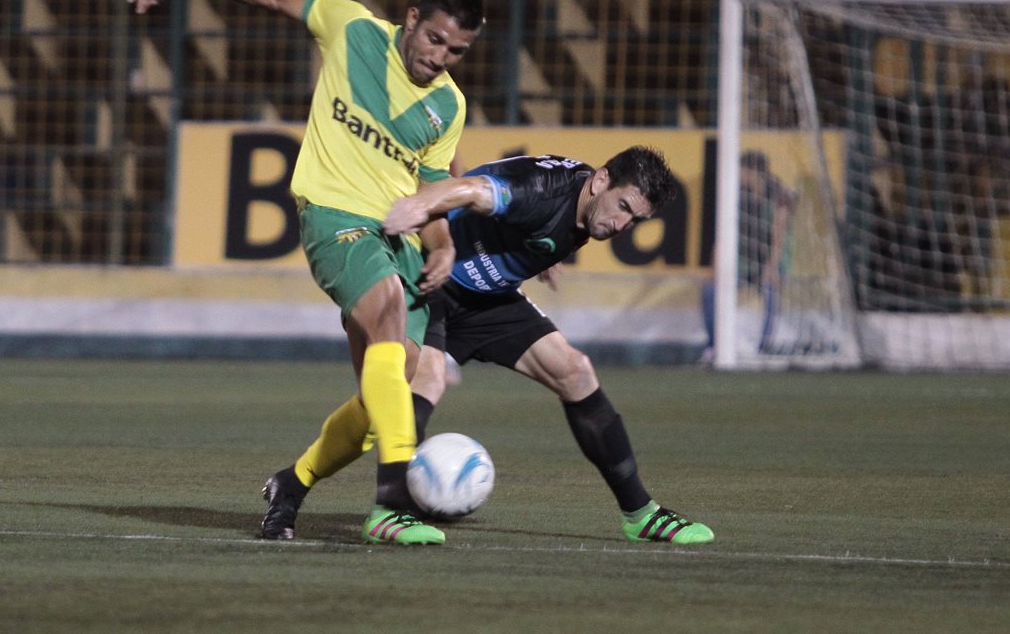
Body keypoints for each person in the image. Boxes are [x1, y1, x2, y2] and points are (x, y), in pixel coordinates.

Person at [128, 0, 486, 546]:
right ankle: (392, 507)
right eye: (435, 39)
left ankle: (291, 485)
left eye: (456, 51)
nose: (439, 57)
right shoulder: (352, 29)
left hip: (401, 242)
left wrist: (443, 245)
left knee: (380, 403)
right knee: (388, 311)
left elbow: (431, 189)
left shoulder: (448, 104)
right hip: (335, 219)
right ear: (412, 19)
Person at [262, 147, 715, 545]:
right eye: (623, 207)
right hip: (432, 280)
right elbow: (472, 189)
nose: (621, 224)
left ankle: (640, 515)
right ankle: (381, 507)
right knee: (418, 385)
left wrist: (542, 256)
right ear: (600, 181)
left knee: (575, 371)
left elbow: (532, 228)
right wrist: (419, 205)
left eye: (635, 220)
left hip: (488, 299)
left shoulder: (583, 209)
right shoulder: (542, 189)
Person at [701, 149, 796, 360]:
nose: (739, 175)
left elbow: (779, 234)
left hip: (771, 260)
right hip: (743, 263)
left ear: (754, 172)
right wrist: (714, 267)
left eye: (742, 170)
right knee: (709, 290)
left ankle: (765, 348)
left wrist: (772, 266)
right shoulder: (734, 195)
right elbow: (722, 234)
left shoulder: (779, 195)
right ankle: (713, 347)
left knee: (771, 291)